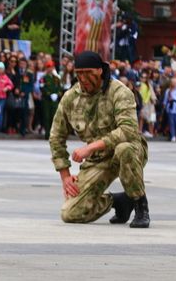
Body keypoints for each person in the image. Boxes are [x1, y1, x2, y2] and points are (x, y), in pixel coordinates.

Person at [49, 50, 150, 228]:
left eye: (88, 73)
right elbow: (56, 136)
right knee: (70, 213)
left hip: (130, 149)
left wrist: (90, 148)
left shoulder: (119, 92)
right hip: (99, 159)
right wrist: (65, 176)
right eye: (79, 73)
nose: (83, 78)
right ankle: (119, 202)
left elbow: (128, 130)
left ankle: (140, 204)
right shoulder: (71, 98)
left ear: (100, 71)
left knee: (124, 149)